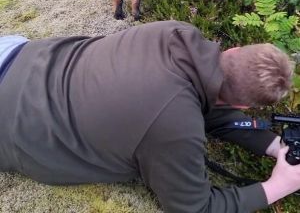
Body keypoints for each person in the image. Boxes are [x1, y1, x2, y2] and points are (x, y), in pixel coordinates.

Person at [0, 20, 298, 213]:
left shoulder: (176, 33)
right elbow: (194, 208)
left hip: (18, 53)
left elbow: (202, 99)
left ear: (234, 50)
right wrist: (278, 186)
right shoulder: (173, 127)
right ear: (246, 108)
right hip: (11, 128)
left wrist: (274, 146)